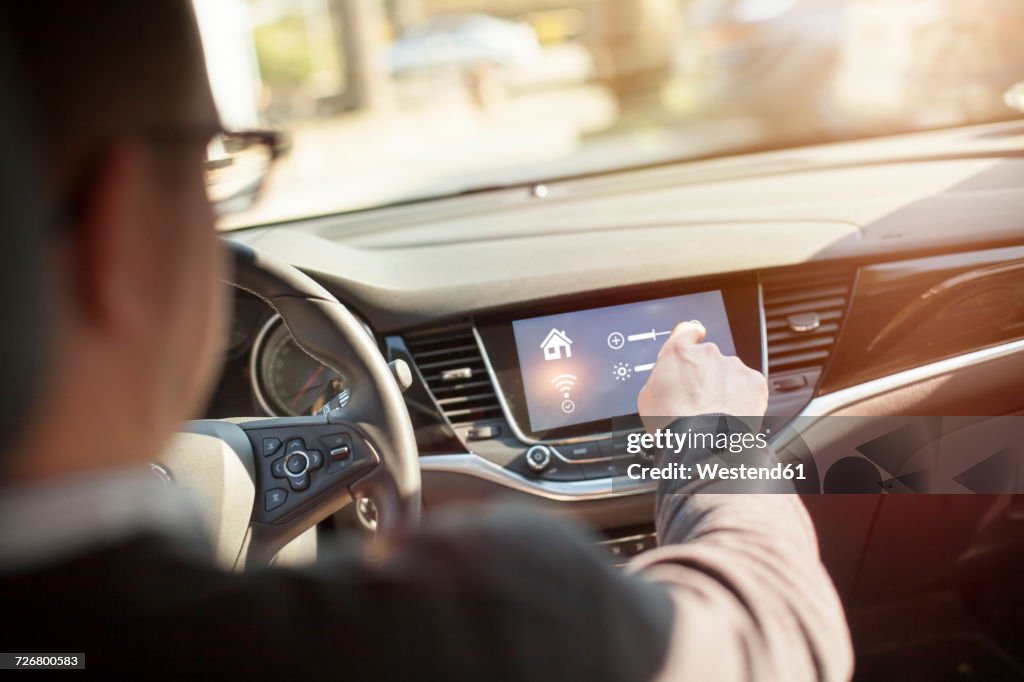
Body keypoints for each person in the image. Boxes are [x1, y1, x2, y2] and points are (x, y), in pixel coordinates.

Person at [0, 2, 852, 679]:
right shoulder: (479, 626)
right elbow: (772, 636)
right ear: (130, 230)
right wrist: (710, 441)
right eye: (213, 167)